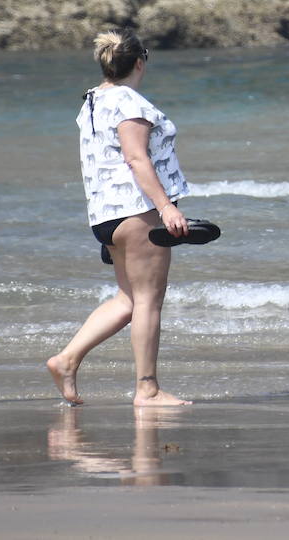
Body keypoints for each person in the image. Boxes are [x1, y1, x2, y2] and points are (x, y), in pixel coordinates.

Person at [46, 29, 192, 407]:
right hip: (136, 211)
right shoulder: (130, 102)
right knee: (149, 300)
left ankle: (67, 360)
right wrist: (166, 207)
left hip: (105, 215)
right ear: (139, 62)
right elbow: (136, 158)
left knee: (129, 300)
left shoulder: (93, 101)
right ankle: (147, 389)